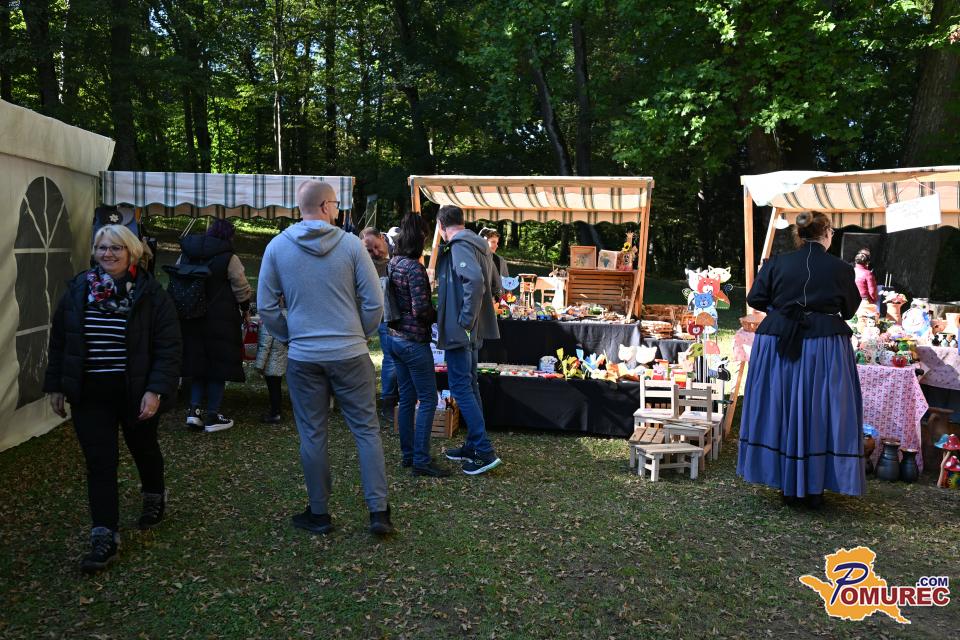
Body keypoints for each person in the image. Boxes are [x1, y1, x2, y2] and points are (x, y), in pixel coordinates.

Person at [258, 179, 393, 535]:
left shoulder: (277, 247)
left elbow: (266, 307)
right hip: (350, 354)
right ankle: (378, 512)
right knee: (366, 431)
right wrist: (359, 333)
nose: (337, 210)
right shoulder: (351, 246)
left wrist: (291, 336)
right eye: (335, 204)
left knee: (313, 434)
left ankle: (319, 513)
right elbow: (374, 302)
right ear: (324, 206)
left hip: (304, 357)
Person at [43, 225, 181, 573]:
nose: (108, 254)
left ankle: (154, 496)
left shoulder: (152, 295)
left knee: (144, 449)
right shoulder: (78, 290)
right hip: (90, 394)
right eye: (102, 247)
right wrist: (56, 384)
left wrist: (155, 390)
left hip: (135, 392)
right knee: (99, 463)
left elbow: (168, 347)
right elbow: (60, 341)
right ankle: (104, 535)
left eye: (116, 248)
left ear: (132, 252)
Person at [738, 212, 864, 508]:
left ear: (799, 234)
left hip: (777, 340)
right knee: (819, 408)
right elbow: (849, 310)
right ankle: (814, 484)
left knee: (778, 405)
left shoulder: (777, 263)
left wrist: (784, 308)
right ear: (827, 233)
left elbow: (755, 298)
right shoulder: (841, 268)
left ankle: (785, 479)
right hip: (823, 345)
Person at [435, 205, 503, 475]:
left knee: (461, 386)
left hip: (462, 329)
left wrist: (465, 320)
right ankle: (475, 444)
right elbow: (495, 284)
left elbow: (474, 281)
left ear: (442, 226)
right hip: (473, 330)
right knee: (469, 385)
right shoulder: (480, 245)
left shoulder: (460, 245)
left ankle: (484, 450)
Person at [387, 214, 450, 477]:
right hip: (413, 341)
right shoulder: (414, 268)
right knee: (428, 399)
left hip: (395, 338)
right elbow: (421, 309)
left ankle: (408, 455)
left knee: (406, 398)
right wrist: (440, 314)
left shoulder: (394, 262)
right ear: (419, 238)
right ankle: (421, 461)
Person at [178, 218, 252, 433]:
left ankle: (193, 412)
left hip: (191, 316)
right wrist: (245, 309)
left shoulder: (187, 252)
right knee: (218, 367)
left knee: (197, 364)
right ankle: (212, 415)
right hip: (220, 318)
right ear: (229, 236)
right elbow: (241, 287)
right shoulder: (229, 257)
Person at [361, 227, 398, 420]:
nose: (375, 252)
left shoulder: (399, 249)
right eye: (369, 250)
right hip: (369, 313)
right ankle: (380, 402)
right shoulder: (362, 259)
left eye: (376, 246)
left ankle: (389, 401)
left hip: (390, 314)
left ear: (382, 238)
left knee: (391, 358)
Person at [254, 295, 288, 424]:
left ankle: (275, 413)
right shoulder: (288, 315)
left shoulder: (269, 319)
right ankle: (277, 411)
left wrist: (259, 365)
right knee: (278, 386)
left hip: (272, 360)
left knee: (273, 388)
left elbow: (265, 344)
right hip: (283, 357)